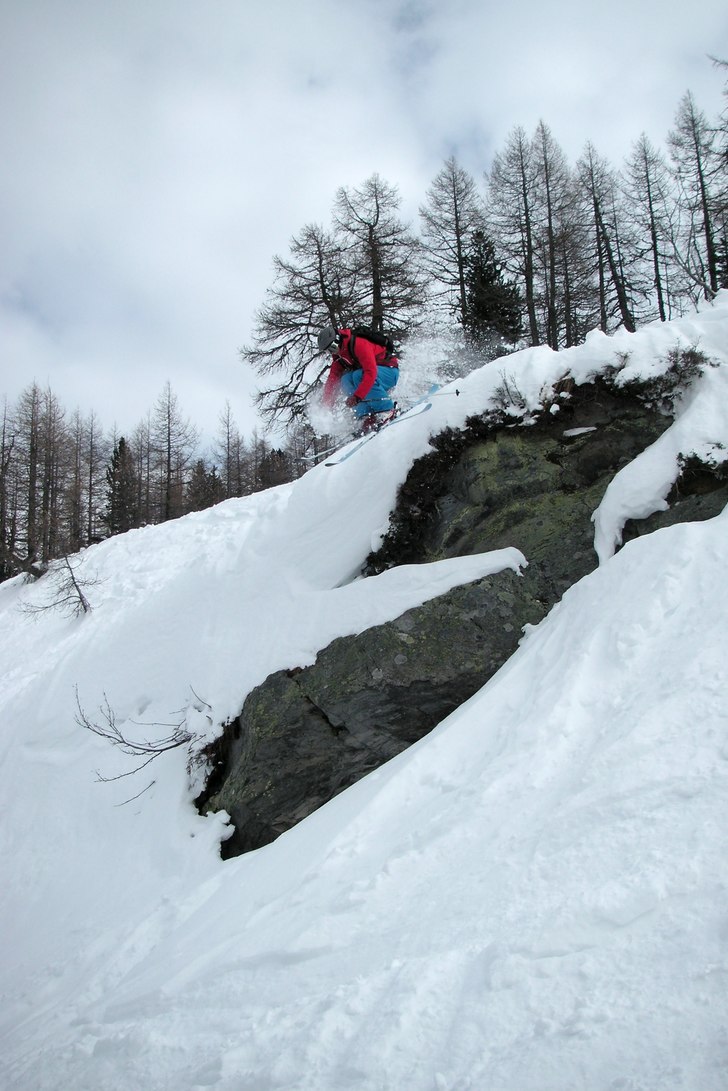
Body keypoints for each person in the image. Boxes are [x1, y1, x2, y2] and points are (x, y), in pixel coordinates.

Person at [317, 325, 399, 432]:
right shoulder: (340, 356)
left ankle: (386, 410)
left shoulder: (359, 344)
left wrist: (357, 397)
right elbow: (332, 380)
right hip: (374, 376)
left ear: (338, 339)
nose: (332, 352)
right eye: (328, 351)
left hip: (389, 372)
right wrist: (326, 405)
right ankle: (365, 415)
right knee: (345, 380)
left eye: (332, 347)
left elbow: (370, 372)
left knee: (357, 375)